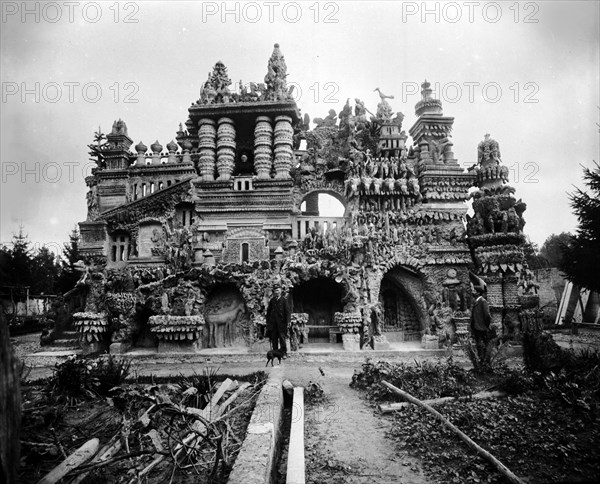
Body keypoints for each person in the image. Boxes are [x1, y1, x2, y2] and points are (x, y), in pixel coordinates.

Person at [266, 285, 290, 358]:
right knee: (274, 339)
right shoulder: (272, 300)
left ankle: (284, 353)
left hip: (282, 323)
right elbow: (269, 312)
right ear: (274, 292)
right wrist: (268, 322)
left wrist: (288, 321)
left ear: (281, 291)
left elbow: (287, 312)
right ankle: (276, 353)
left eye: (279, 290)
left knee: (282, 338)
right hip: (273, 323)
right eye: (276, 290)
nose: (277, 292)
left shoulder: (284, 300)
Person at [470, 286, 491, 363]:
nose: (473, 292)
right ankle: (480, 359)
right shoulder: (475, 301)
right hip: (476, 326)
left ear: (478, 293)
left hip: (482, 326)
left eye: (474, 291)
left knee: (483, 343)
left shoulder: (483, 301)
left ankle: (484, 359)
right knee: (478, 343)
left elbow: (487, 315)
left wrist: (486, 325)